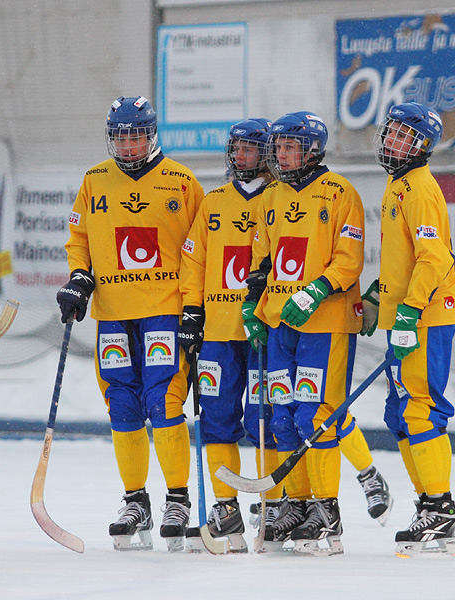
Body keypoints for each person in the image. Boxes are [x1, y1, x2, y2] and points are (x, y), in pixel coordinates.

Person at [57, 96, 204, 552]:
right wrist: (79, 278)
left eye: (135, 135)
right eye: (120, 136)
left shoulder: (182, 182)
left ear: (152, 134)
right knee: (121, 404)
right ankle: (135, 499)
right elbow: (79, 238)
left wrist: (194, 307)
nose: (127, 144)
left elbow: (200, 248)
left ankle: (177, 498)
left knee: (164, 400)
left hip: (163, 308)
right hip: (114, 314)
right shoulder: (94, 180)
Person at [242, 111, 388, 555]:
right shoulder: (271, 196)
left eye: (289, 146)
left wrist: (312, 293)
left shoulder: (341, 193)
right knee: (283, 417)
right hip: (279, 322)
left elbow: (348, 260)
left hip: (324, 324)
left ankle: (328, 512)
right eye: (278, 147)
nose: (280, 154)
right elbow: (262, 260)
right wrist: (253, 303)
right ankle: (299, 504)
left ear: (311, 149)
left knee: (315, 415)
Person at [363, 102, 455, 557]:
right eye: (390, 133)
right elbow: (403, 261)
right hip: (406, 313)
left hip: (427, 315)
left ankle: (441, 512)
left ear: (422, 145)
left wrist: (409, 310)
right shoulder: (396, 184)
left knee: (420, 409)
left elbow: (436, 258)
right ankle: (429, 505)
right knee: (399, 414)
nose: (391, 141)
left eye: (403, 136)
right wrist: (375, 297)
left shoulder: (419, 187)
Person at [178, 118, 278, 552]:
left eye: (249, 149)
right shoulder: (213, 201)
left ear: (267, 154)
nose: (239, 156)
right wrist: (192, 312)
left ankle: (275, 506)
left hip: (264, 330)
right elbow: (194, 263)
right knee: (217, 418)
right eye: (235, 148)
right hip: (218, 330)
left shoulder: (279, 199)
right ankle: (226, 508)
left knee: (267, 421)